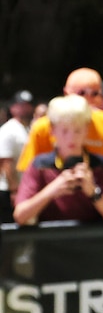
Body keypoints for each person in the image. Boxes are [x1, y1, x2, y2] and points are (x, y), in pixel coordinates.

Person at [13, 94, 103, 224]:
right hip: (50, 241)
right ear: (52, 130)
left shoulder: (101, 165)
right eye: (64, 131)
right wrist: (52, 189)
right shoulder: (40, 165)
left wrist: (92, 191)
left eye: (78, 130)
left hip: (93, 241)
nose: (71, 138)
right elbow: (20, 216)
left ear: (87, 129)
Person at [17, 68, 103, 171]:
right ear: (66, 93)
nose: (88, 99)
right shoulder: (43, 126)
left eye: (95, 93)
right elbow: (28, 171)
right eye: (81, 93)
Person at [0, 90, 35, 221]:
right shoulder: (8, 130)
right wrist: (15, 191)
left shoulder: (28, 128)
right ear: (13, 107)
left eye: (28, 105)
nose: (25, 109)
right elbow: (5, 163)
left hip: (24, 188)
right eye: (21, 105)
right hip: (9, 191)